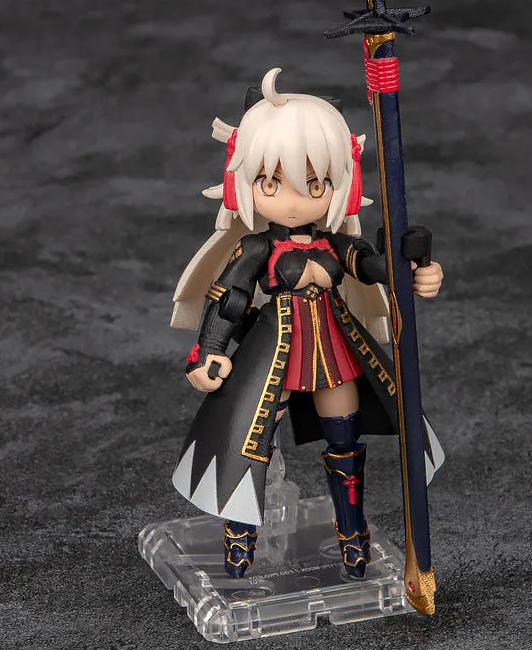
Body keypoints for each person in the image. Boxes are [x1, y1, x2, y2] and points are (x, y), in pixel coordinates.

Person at [170, 68, 444, 579]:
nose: (295, 199)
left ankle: (353, 534)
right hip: (271, 354)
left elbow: (372, 266)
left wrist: (412, 273)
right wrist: (209, 351)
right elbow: (229, 298)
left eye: (316, 184)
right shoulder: (257, 247)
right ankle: (240, 536)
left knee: (346, 443)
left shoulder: (335, 244)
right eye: (272, 183)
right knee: (251, 443)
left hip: (333, 348)